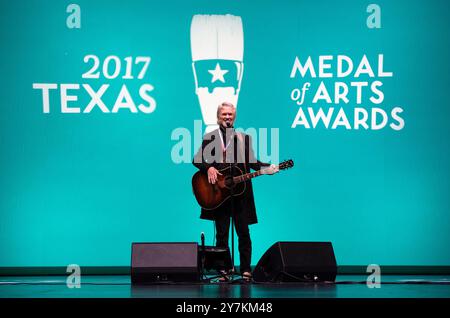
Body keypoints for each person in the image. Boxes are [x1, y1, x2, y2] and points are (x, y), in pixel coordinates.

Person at [193, 102, 278, 282]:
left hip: (240, 194)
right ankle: (225, 269)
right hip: (219, 195)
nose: (227, 117)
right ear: (218, 117)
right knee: (222, 234)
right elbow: (196, 159)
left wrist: (267, 167)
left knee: (243, 233)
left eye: (230, 114)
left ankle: (246, 269)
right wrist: (208, 168)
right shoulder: (211, 138)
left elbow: (253, 162)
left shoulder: (243, 138)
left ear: (234, 117)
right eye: (224, 114)